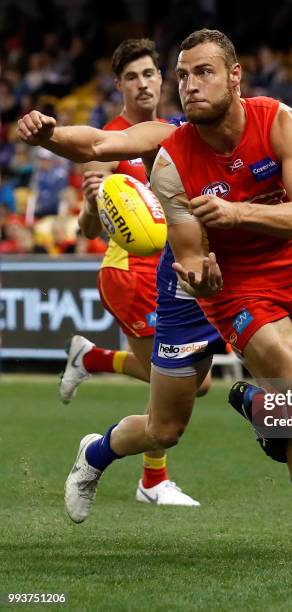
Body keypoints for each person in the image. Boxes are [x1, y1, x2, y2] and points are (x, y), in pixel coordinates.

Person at [17, 30, 292, 568]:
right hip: (210, 281)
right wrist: (46, 136)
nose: (186, 84)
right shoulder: (166, 149)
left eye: (198, 72)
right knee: (177, 424)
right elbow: (99, 152)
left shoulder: (276, 120)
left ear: (234, 75)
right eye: (182, 75)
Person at [59, 38, 200, 507]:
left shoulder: (178, 130)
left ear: (162, 78)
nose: (143, 84)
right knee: (173, 379)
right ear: (119, 85)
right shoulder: (109, 140)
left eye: (149, 74)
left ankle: (90, 359)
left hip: (171, 273)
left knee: (192, 381)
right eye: (132, 77)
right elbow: (84, 227)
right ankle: (152, 479)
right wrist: (95, 203)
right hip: (128, 273)